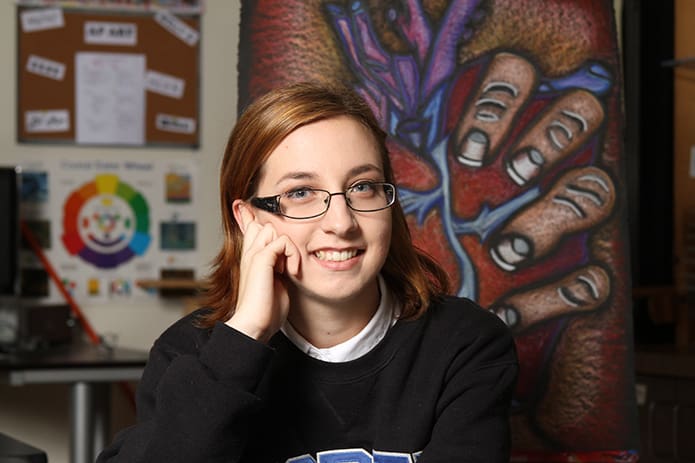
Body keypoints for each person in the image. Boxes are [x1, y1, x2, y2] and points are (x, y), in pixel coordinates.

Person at [97, 82, 518, 463]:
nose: (342, 222)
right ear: (248, 218)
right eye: (300, 193)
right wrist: (243, 339)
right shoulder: (187, 353)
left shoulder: (466, 344)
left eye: (363, 187)